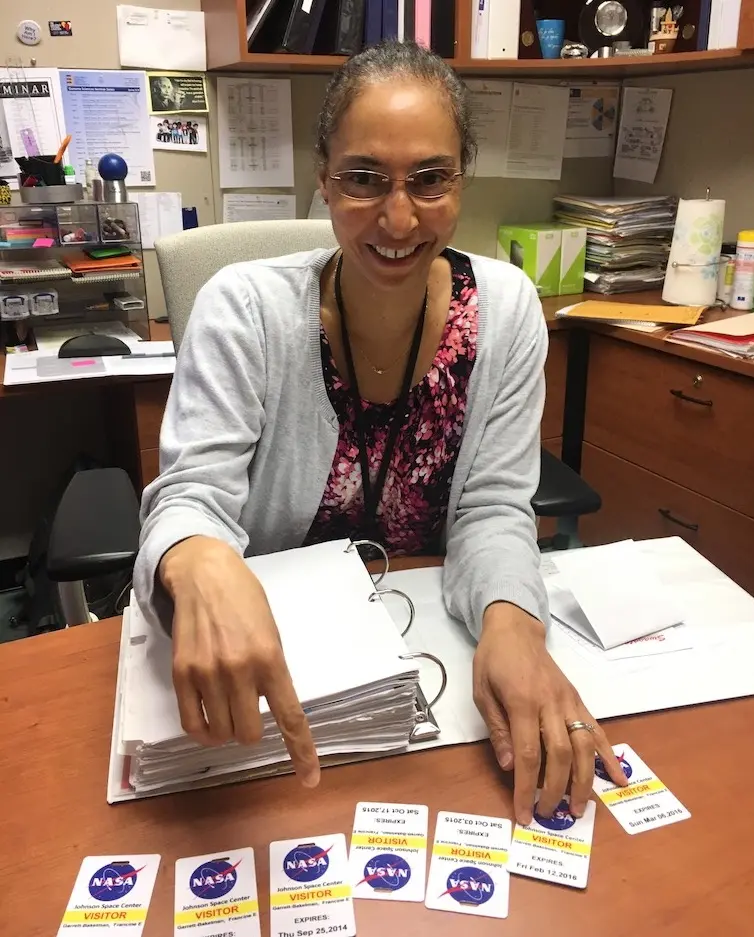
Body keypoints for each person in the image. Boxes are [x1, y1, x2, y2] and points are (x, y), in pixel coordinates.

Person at [135, 40, 628, 825]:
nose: (398, 218)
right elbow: (191, 494)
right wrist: (194, 560)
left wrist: (510, 621)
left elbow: (493, 505)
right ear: (324, 179)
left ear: (461, 177)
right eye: (363, 179)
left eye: (429, 179)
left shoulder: (503, 308)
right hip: (281, 665)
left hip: (431, 652)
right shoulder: (244, 307)